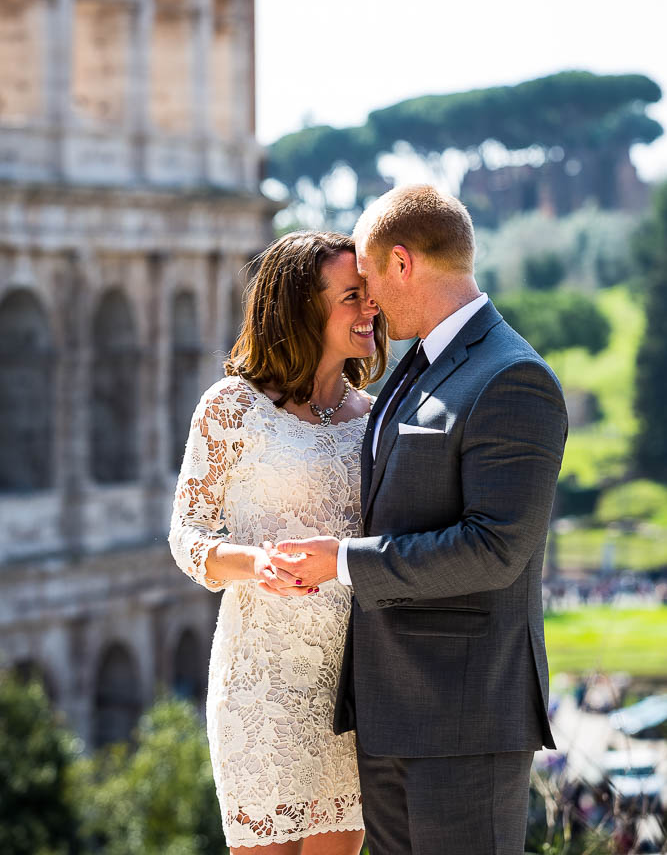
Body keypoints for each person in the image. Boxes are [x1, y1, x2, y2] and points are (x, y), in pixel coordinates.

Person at [268, 185, 568, 855]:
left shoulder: (512, 378)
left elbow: (495, 548)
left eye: (369, 278)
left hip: (463, 722)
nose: (365, 299)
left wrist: (342, 561)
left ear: (402, 264)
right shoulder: (419, 366)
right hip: (390, 716)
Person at [168, 231, 387, 854]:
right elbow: (187, 536)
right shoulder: (230, 408)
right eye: (351, 296)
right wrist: (254, 564)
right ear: (301, 307)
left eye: (368, 294)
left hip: (352, 690)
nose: (370, 308)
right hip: (260, 688)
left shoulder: (377, 419)